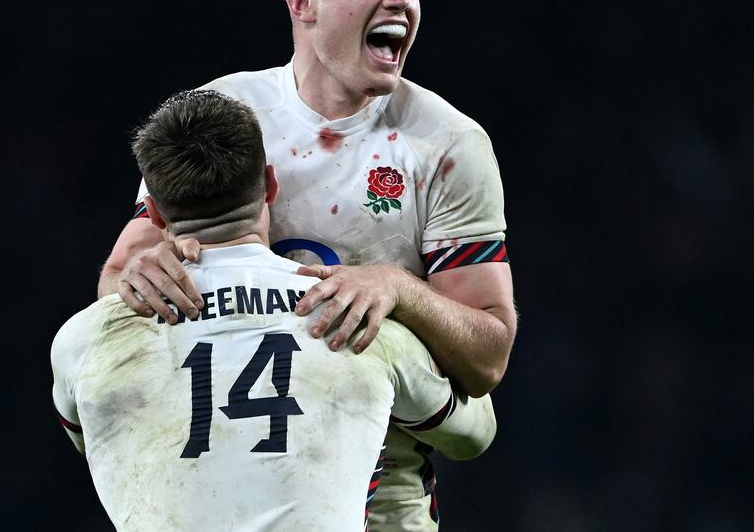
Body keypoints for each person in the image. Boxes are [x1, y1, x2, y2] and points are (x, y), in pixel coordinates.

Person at [98, 0, 517, 530]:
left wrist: (398, 289)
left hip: (380, 502)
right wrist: (136, 277)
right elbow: (116, 284)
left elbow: (488, 353)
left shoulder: (447, 144)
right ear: (303, 2)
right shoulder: (225, 116)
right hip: (226, 485)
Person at [53, 90, 497, 531]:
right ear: (270, 185)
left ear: (153, 214)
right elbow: (473, 436)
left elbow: (98, 437)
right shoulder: (356, 321)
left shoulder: (82, 343)